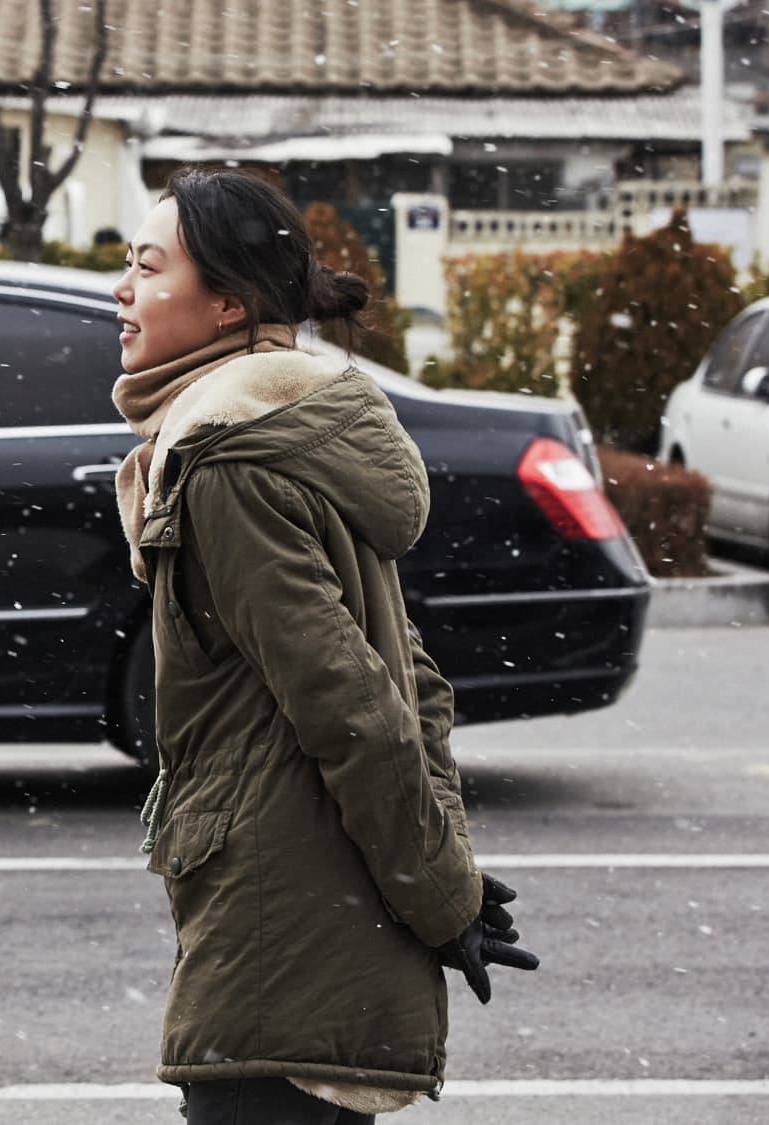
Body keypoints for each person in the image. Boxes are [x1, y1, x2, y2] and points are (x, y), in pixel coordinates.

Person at [110, 167, 538, 1124]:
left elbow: (356, 703)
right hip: (323, 919)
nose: (121, 289)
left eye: (147, 266)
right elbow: (412, 685)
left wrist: (444, 897)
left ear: (228, 304)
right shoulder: (291, 436)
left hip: (283, 932)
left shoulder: (229, 465)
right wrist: (445, 883)